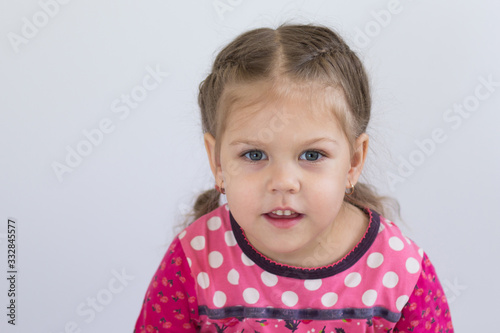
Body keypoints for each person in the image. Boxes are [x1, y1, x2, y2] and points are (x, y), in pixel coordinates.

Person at [133, 23, 453, 332]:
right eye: (254, 155)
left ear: (354, 162)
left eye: (312, 155)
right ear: (217, 162)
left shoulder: (399, 270)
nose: (284, 182)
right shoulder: (194, 259)